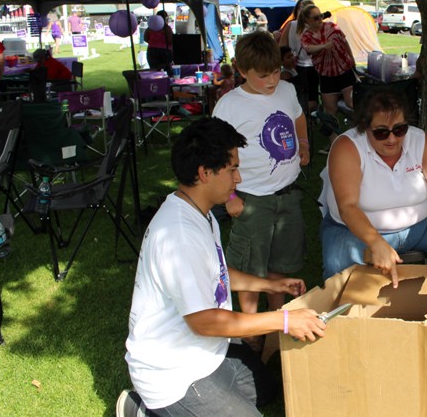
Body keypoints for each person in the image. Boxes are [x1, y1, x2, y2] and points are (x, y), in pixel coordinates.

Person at [120, 117, 325, 417]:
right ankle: (143, 408)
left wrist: (271, 285)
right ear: (205, 173)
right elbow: (205, 322)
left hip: (208, 353)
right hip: (174, 375)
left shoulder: (199, 211)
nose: (238, 179)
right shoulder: (179, 235)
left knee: (268, 388)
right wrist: (283, 320)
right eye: (232, 170)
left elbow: (217, 275)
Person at [212, 31, 310, 351]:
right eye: (263, 75)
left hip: (288, 192)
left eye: (276, 72)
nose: (272, 81)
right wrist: (229, 197)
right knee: (250, 266)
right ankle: (251, 331)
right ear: (241, 70)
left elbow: (298, 117)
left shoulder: (287, 90)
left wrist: (305, 143)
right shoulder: (229, 105)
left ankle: (278, 317)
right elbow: (216, 154)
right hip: (251, 196)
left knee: (281, 261)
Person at [320, 88, 427, 286]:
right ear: (365, 127)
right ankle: (346, 315)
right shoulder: (348, 147)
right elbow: (347, 207)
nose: (392, 139)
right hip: (354, 232)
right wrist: (376, 242)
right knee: (338, 271)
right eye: (381, 132)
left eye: (400, 129)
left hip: (420, 226)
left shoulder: (421, 141)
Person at [298, 4, 356, 147]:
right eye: (316, 18)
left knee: (352, 102)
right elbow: (308, 48)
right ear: (307, 20)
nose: (320, 20)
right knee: (330, 112)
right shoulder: (306, 36)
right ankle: (334, 146)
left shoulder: (332, 27)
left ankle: (360, 132)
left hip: (344, 70)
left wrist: (351, 57)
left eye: (321, 16)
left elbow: (344, 41)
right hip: (326, 75)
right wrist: (323, 46)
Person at [279, 0, 319, 113]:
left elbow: (282, 47)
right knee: (311, 97)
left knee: (297, 96)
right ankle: (309, 118)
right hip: (310, 66)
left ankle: (302, 116)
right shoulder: (317, 26)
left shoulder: (291, 25)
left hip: (296, 66)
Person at [144, 10, 174, 75]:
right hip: (165, 52)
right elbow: (171, 40)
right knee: (167, 71)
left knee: (154, 72)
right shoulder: (167, 28)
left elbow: (145, 38)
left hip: (152, 51)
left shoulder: (150, 28)